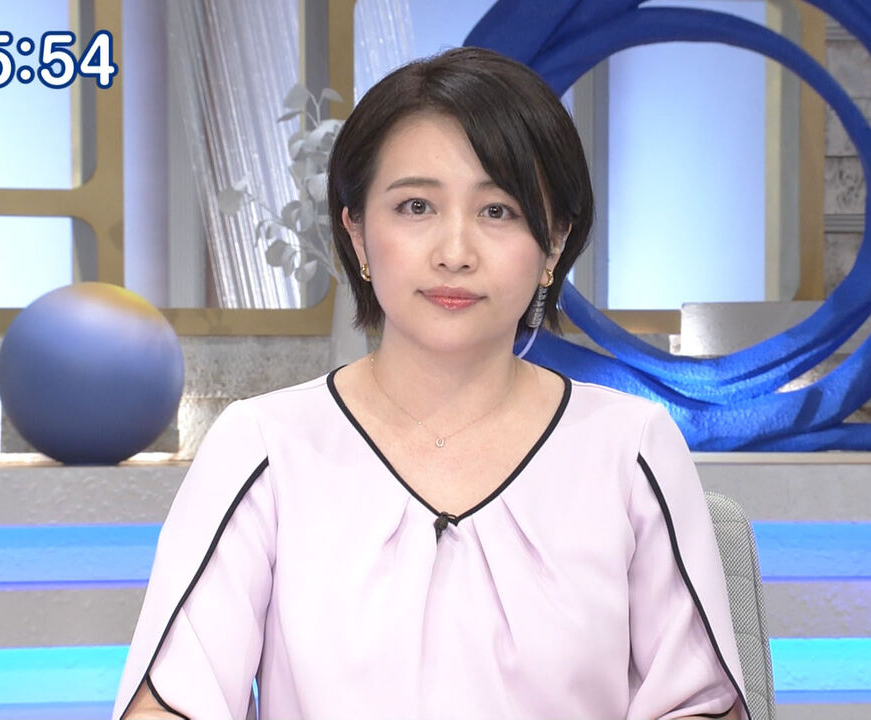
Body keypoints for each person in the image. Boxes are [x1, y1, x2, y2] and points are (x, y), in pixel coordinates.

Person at [115, 47, 749, 720]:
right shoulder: (263, 447)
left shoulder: (631, 446)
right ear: (357, 234)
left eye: (499, 211)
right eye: (416, 206)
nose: (455, 252)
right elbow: (169, 703)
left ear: (554, 244)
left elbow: (699, 705)